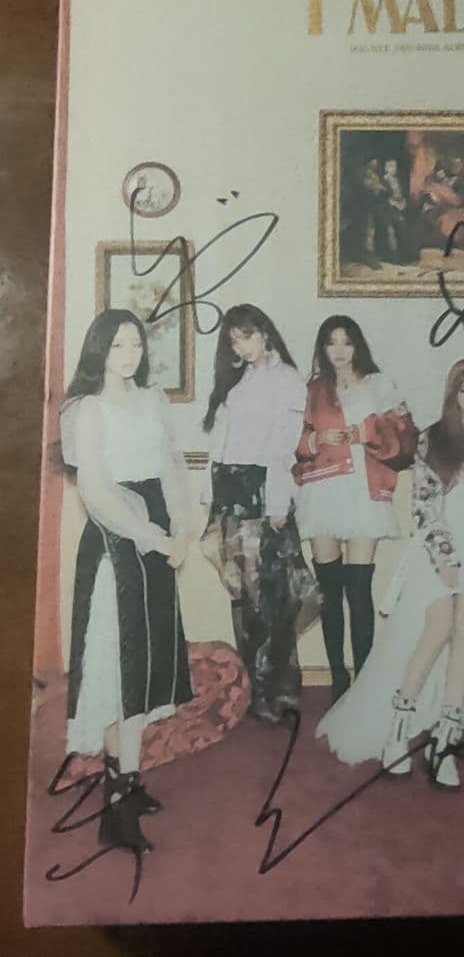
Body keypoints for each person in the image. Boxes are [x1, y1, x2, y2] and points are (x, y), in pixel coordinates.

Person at [316, 358, 464, 790]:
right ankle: (398, 727)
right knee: (439, 626)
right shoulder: (435, 440)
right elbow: (424, 509)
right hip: (439, 550)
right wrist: (445, 559)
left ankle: (445, 738)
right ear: (453, 395)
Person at [60, 309, 194, 855]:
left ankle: (129, 780)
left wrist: (181, 528)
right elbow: (95, 490)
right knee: (120, 665)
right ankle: (116, 807)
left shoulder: (152, 399)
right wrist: (151, 537)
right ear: (99, 350)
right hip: (117, 544)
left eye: (135, 344)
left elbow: (171, 469)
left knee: (146, 663)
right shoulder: (88, 408)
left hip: (154, 535)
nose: (129, 354)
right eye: (117, 345)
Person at [202, 304, 321, 725]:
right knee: (243, 594)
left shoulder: (286, 379)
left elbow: (283, 446)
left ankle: (278, 689)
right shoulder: (236, 379)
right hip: (229, 493)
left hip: (262, 491)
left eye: (247, 336)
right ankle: (254, 689)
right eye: (234, 339)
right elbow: (219, 444)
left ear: (265, 333)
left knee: (272, 594)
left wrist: (276, 504)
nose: (242, 346)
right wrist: (210, 499)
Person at [294, 316, 417, 703]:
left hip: (364, 490)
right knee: (329, 593)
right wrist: (316, 440)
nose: (339, 350)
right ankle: (338, 680)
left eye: (346, 342)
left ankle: (364, 683)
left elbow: (405, 438)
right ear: (323, 347)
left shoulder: (380, 385)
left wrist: (363, 433)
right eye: (331, 342)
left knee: (359, 591)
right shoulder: (313, 389)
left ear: (357, 345)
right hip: (322, 490)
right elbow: (293, 439)